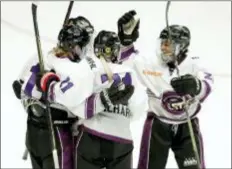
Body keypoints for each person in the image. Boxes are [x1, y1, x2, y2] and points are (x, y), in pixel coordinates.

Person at [35, 30, 148, 169]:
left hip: (91, 137)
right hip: (122, 141)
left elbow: (72, 98)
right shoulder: (130, 73)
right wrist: (118, 112)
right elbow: (138, 109)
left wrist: (50, 86)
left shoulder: (88, 66)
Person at [116, 10, 214, 169]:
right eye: (162, 42)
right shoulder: (150, 63)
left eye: (168, 43)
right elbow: (125, 60)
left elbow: (208, 81)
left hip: (187, 126)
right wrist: (126, 42)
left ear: (182, 46)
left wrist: (197, 86)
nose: (163, 47)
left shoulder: (194, 64)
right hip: (158, 125)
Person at [12, 16, 96, 169]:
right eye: (82, 45)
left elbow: (18, 86)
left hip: (33, 133)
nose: (85, 50)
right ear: (73, 45)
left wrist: (32, 103)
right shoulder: (73, 68)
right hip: (56, 135)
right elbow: (74, 99)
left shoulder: (42, 56)